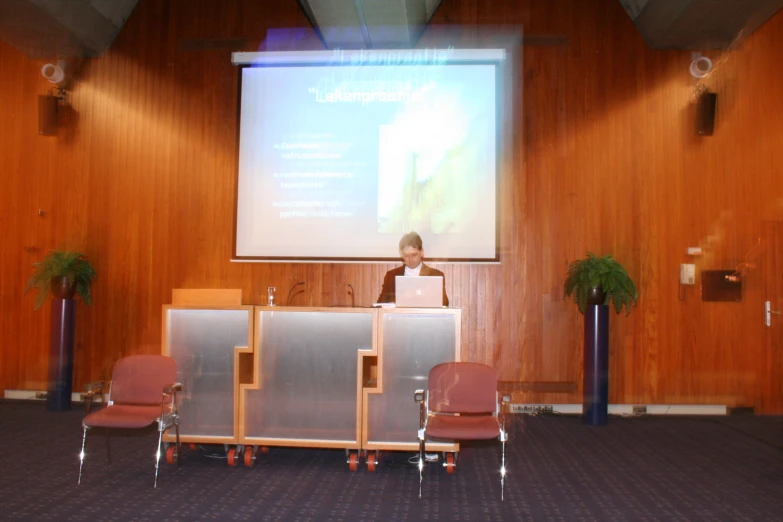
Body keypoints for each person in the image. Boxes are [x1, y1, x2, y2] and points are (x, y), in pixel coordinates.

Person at [376, 231, 449, 306]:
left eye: (414, 255)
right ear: (401, 254)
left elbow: (444, 304)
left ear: (422, 252)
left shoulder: (435, 275)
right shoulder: (391, 276)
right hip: (399, 317)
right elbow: (380, 305)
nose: (410, 259)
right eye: (406, 255)